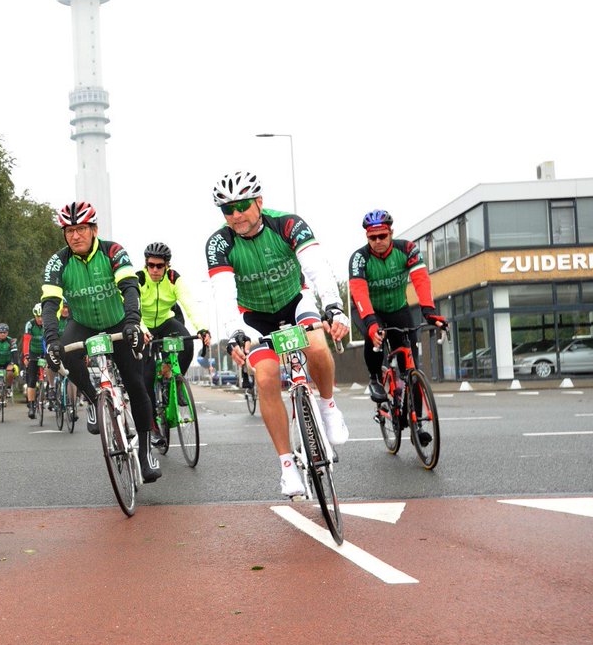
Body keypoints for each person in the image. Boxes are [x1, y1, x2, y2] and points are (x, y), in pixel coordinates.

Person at [205, 170, 350, 498]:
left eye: (242, 205)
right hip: (254, 317)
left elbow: (315, 266)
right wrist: (235, 333)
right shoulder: (220, 243)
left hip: (295, 301)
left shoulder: (287, 224)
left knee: (315, 345)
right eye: (228, 210)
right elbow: (224, 292)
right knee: (267, 378)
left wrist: (333, 305)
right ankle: (287, 466)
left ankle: (327, 406)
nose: (236, 215)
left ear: (259, 201)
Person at [39, 201, 160, 483]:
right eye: (69, 231)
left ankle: (144, 452)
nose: (75, 236)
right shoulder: (59, 261)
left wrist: (132, 322)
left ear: (94, 229)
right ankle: (94, 400)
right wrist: (52, 339)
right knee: (64, 355)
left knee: (135, 383)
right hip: (82, 323)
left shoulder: (112, 251)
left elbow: (129, 287)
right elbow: (50, 302)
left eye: (81, 229)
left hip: (118, 320)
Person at [347, 210, 448, 442]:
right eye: (372, 238)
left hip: (398, 309)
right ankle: (374, 377)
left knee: (411, 369)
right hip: (368, 309)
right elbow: (359, 291)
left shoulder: (407, 249)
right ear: (367, 237)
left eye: (382, 236)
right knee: (374, 338)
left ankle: (417, 427)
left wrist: (429, 312)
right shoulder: (360, 258)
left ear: (391, 233)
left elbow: (421, 279)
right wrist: (371, 324)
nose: (378, 242)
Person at [136, 241, 211, 447]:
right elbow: (133, 308)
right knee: (147, 376)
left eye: (159, 266)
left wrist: (202, 328)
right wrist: (142, 330)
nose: (154, 270)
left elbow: (188, 303)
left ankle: (176, 381)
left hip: (166, 321)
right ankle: (152, 428)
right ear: (146, 264)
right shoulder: (139, 279)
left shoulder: (173, 278)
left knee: (187, 343)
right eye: (151, 265)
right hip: (144, 325)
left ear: (167, 265)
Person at [20, 303, 46, 419]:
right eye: (38, 317)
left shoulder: (48, 323)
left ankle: (51, 393)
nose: (40, 319)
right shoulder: (30, 324)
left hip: (44, 352)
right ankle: (31, 405)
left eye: (42, 316)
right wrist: (26, 356)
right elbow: (26, 341)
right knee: (31, 379)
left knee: (50, 372)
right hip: (33, 353)